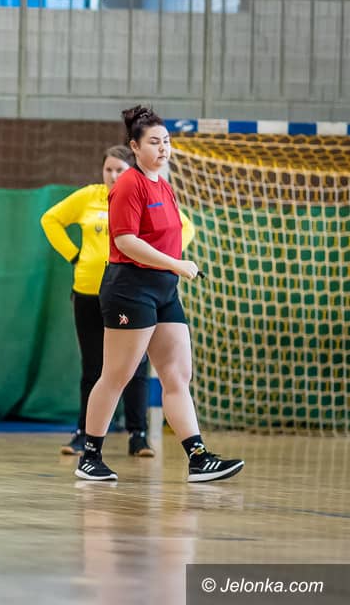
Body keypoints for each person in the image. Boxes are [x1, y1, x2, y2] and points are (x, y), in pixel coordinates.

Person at [76, 106, 243, 483]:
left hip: (164, 291)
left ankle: (198, 458)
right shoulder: (128, 185)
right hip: (129, 289)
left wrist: (174, 268)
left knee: (177, 375)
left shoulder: (163, 186)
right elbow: (125, 241)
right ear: (135, 147)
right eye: (154, 142)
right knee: (116, 375)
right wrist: (176, 263)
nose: (163, 148)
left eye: (166, 141)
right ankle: (90, 456)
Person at [41, 146, 196, 458]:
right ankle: (84, 435)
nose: (113, 175)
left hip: (133, 292)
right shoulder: (89, 197)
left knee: (136, 368)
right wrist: (74, 255)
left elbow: (185, 227)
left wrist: (164, 258)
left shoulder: (141, 194)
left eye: (119, 170)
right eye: (108, 169)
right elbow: (51, 219)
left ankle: (138, 435)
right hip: (89, 291)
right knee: (94, 367)